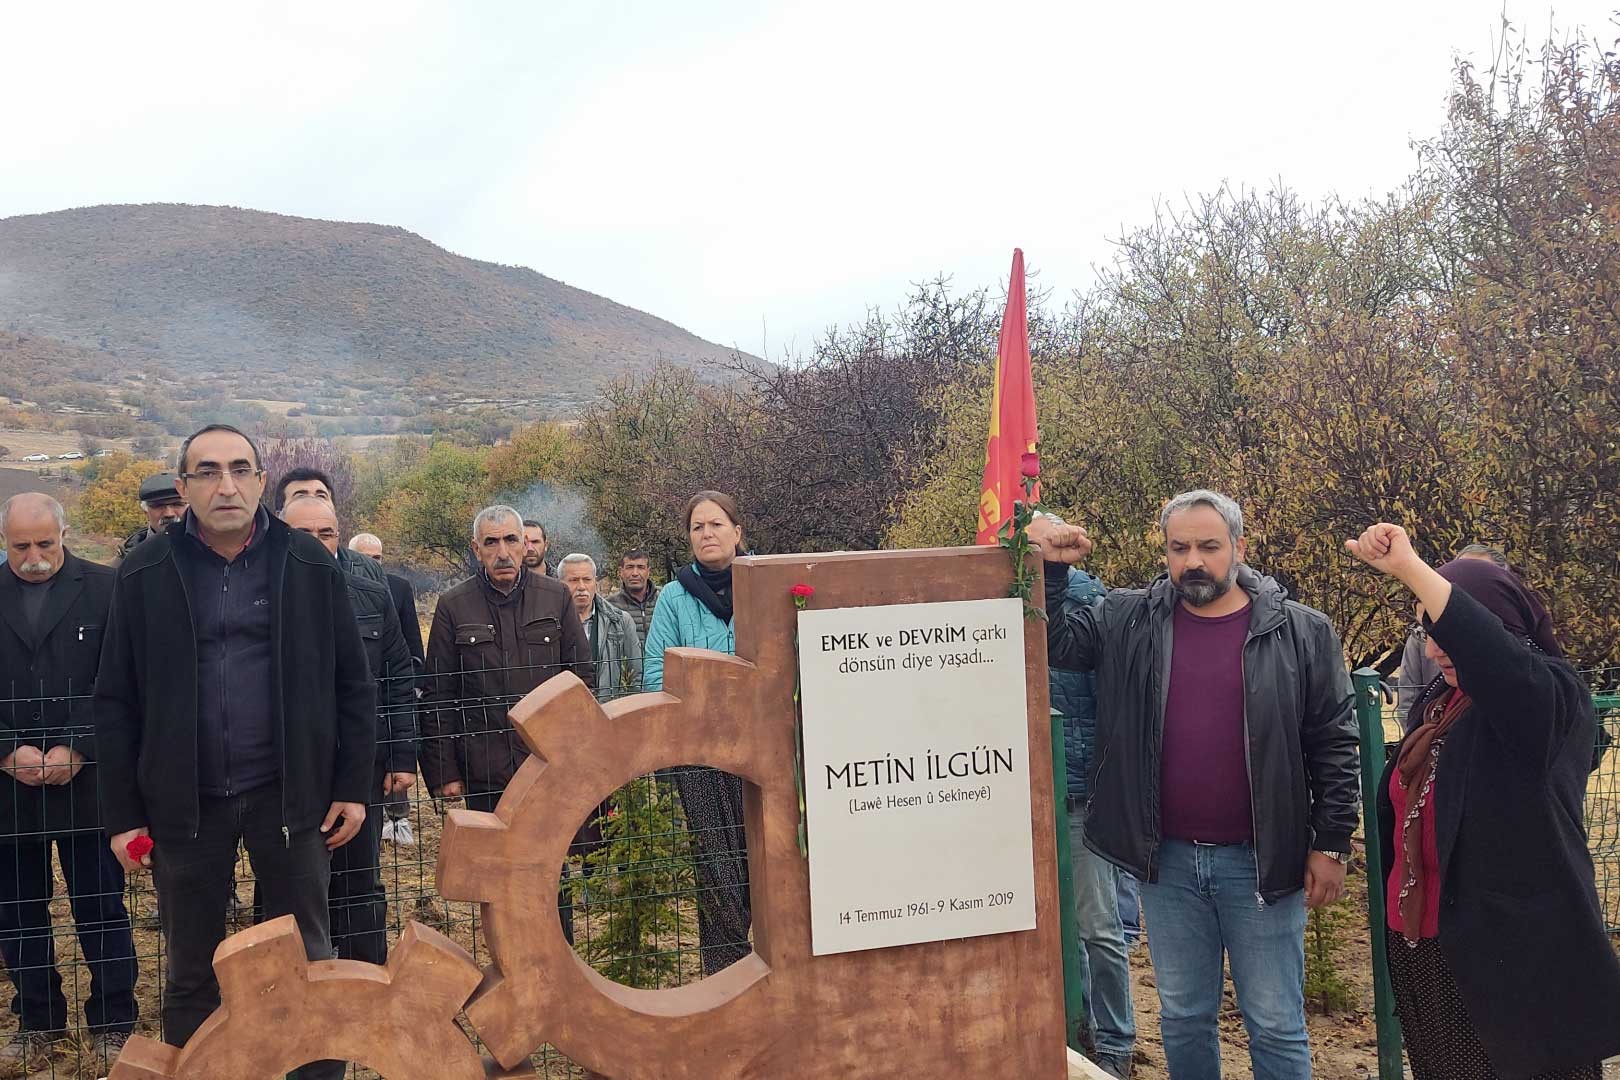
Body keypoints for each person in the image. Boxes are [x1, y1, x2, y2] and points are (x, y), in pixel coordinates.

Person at [1029, 489, 1359, 1080]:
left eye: (1208, 546)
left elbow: (1334, 742)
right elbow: (1057, 641)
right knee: (1182, 1018)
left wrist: (1331, 841)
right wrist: (1052, 572)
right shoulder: (1129, 619)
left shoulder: (1301, 632)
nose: (1193, 562)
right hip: (1168, 864)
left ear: (1238, 546)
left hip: (1262, 864)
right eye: (1179, 548)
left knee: (1276, 1024)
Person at [93, 424, 374, 1080]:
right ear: (184, 485)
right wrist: (124, 817)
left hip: (291, 796)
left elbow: (353, 686)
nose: (227, 484)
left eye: (241, 469)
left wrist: (351, 787)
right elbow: (114, 702)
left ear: (259, 480)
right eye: (209, 471)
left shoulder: (308, 565)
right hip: (183, 807)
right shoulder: (143, 575)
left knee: (306, 957)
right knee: (193, 970)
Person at [1347, 523, 1620, 1078]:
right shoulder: (1441, 702)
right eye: (1425, 631)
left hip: (1517, 973)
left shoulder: (1545, 703)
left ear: (1505, 628)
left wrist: (1411, 569)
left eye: (1445, 628)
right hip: (1433, 956)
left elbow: (1500, 662)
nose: (1433, 648)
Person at [0, 494, 137, 1074]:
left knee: (100, 905)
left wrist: (80, 744)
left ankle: (113, 1019)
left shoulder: (109, 590)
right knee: (18, 909)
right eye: (19, 546)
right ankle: (37, 1019)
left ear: (65, 534)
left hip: (89, 784)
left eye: (44, 544)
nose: (33, 557)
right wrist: (6, 750)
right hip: (9, 789)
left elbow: (126, 681)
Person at [420, 505, 588, 937]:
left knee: (550, 870)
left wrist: (574, 755)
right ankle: (510, 972)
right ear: (476, 549)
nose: (503, 552)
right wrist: (444, 772)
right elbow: (438, 694)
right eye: (491, 543)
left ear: (526, 544)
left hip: (546, 766)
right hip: (485, 767)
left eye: (511, 540)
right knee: (497, 878)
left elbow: (582, 679)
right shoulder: (454, 606)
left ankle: (558, 964)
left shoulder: (556, 596)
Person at [281, 496, 416, 966]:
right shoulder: (259, 597)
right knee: (291, 884)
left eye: (327, 534)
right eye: (303, 535)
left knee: (362, 877)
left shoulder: (372, 595)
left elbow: (400, 675)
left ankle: (365, 984)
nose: (317, 544)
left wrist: (401, 755)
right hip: (286, 770)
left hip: (360, 764)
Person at [642, 491, 752, 976]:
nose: (706, 534)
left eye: (715, 524)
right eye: (696, 527)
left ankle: (776, 968)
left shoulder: (765, 584)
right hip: (701, 756)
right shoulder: (674, 596)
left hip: (765, 748)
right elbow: (654, 673)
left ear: (737, 532)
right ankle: (727, 972)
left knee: (770, 860)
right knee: (716, 863)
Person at [1051, 565, 1135, 1077]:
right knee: (1059, 928)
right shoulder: (998, 599)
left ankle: (1115, 1043)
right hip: (1029, 797)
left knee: (1099, 926)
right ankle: (1075, 1027)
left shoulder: (1088, 604)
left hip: (1079, 794)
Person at [349, 532, 425, 844]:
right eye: (364, 556)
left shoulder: (398, 588)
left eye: (377, 557)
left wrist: (416, 681)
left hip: (393, 682)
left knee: (394, 751)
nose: (371, 562)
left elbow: (410, 642)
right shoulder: (342, 588)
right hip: (359, 690)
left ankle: (398, 818)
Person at [1397, 544, 1508, 722]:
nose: (1432, 651)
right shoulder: (1420, 636)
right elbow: (1407, 700)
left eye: (1479, 577)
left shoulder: (1522, 677)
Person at [559, 553, 643, 702]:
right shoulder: (549, 625)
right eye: (573, 580)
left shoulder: (620, 621)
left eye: (587, 580)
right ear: (560, 584)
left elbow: (636, 674)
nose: (581, 587)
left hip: (612, 712)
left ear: (595, 583)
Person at [117, 472, 186, 560]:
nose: (169, 514)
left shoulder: (207, 550)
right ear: (145, 512)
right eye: (158, 506)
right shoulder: (128, 557)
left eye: (177, 504)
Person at [606, 549, 660, 640]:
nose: (635, 573)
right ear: (621, 572)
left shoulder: (664, 600)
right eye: (630, 567)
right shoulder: (609, 606)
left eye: (640, 567)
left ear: (648, 572)